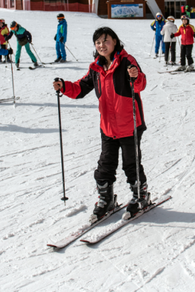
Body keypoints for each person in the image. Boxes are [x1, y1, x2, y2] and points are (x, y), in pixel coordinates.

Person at [52, 27, 149, 221]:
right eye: (98, 42)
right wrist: (64, 86)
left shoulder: (127, 61)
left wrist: (135, 75)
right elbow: (81, 88)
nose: (101, 45)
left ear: (114, 41)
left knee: (131, 165)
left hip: (130, 124)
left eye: (105, 41)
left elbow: (140, 84)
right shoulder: (95, 68)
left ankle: (140, 197)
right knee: (105, 165)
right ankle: (106, 199)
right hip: (108, 127)